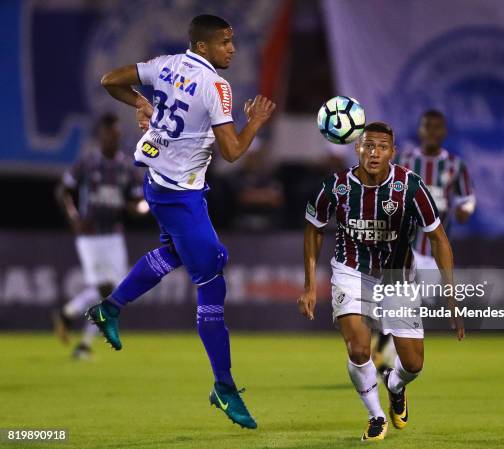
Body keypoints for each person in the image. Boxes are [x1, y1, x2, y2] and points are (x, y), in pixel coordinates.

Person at [85, 14, 275, 429]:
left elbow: (109, 80)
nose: (232, 49)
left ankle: (110, 308)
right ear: (204, 47)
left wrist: (141, 102)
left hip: (159, 181)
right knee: (212, 281)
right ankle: (223, 389)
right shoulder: (216, 87)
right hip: (180, 193)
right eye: (226, 42)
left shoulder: (165, 64)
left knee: (172, 252)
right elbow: (232, 153)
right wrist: (255, 123)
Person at [298, 122, 464, 442]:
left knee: (413, 364)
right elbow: (314, 228)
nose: (374, 153)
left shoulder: (410, 187)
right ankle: (375, 416)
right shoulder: (336, 186)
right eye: (368, 146)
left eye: (382, 147)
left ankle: (395, 385)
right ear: (357, 148)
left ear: (393, 152)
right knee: (359, 347)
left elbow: (439, 238)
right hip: (351, 271)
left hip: (397, 276)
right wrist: (309, 285)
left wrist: (450, 291)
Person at [372, 110, 476, 372]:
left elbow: (467, 200)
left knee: (419, 301)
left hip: (432, 250)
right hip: (403, 245)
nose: (431, 132)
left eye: (436, 127)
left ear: (444, 132)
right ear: (419, 130)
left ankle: (388, 349)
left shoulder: (455, 165)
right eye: (426, 127)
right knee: (399, 297)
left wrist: (466, 211)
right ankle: (383, 353)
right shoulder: (405, 160)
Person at [53, 113, 145, 360]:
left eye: (115, 134)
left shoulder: (126, 167)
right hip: (90, 235)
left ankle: (69, 313)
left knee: (116, 290)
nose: (112, 138)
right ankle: (83, 343)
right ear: (100, 136)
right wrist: (73, 218)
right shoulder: (87, 163)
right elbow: (63, 190)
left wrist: (139, 208)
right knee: (106, 291)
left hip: (114, 234)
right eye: (108, 134)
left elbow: (139, 201)